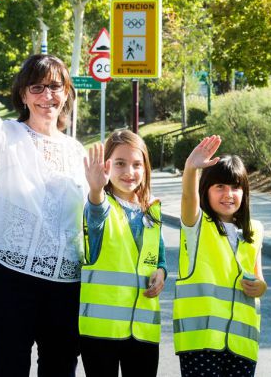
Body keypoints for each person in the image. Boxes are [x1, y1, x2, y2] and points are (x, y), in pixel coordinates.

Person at [0, 27, 87, 376]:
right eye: (38, 88)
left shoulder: (77, 152)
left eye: (55, 87)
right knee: (6, 369)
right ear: (24, 95)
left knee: (60, 370)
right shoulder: (7, 136)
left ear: (66, 94)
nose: (48, 95)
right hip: (8, 280)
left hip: (65, 286)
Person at [174, 135, 266, 376]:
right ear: (206, 189)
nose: (229, 194)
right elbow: (188, 198)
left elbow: (259, 277)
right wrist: (191, 169)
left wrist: (260, 287)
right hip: (202, 342)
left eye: (236, 187)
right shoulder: (197, 225)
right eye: (220, 187)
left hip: (242, 344)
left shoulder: (255, 229)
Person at [79, 130, 167, 377]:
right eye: (120, 163)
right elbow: (96, 212)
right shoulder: (100, 207)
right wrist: (95, 190)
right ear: (107, 166)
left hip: (143, 331)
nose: (130, 172)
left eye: (137, 164)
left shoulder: (151, 212)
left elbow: (158, 258)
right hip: (101, 333)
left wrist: (161, 273)